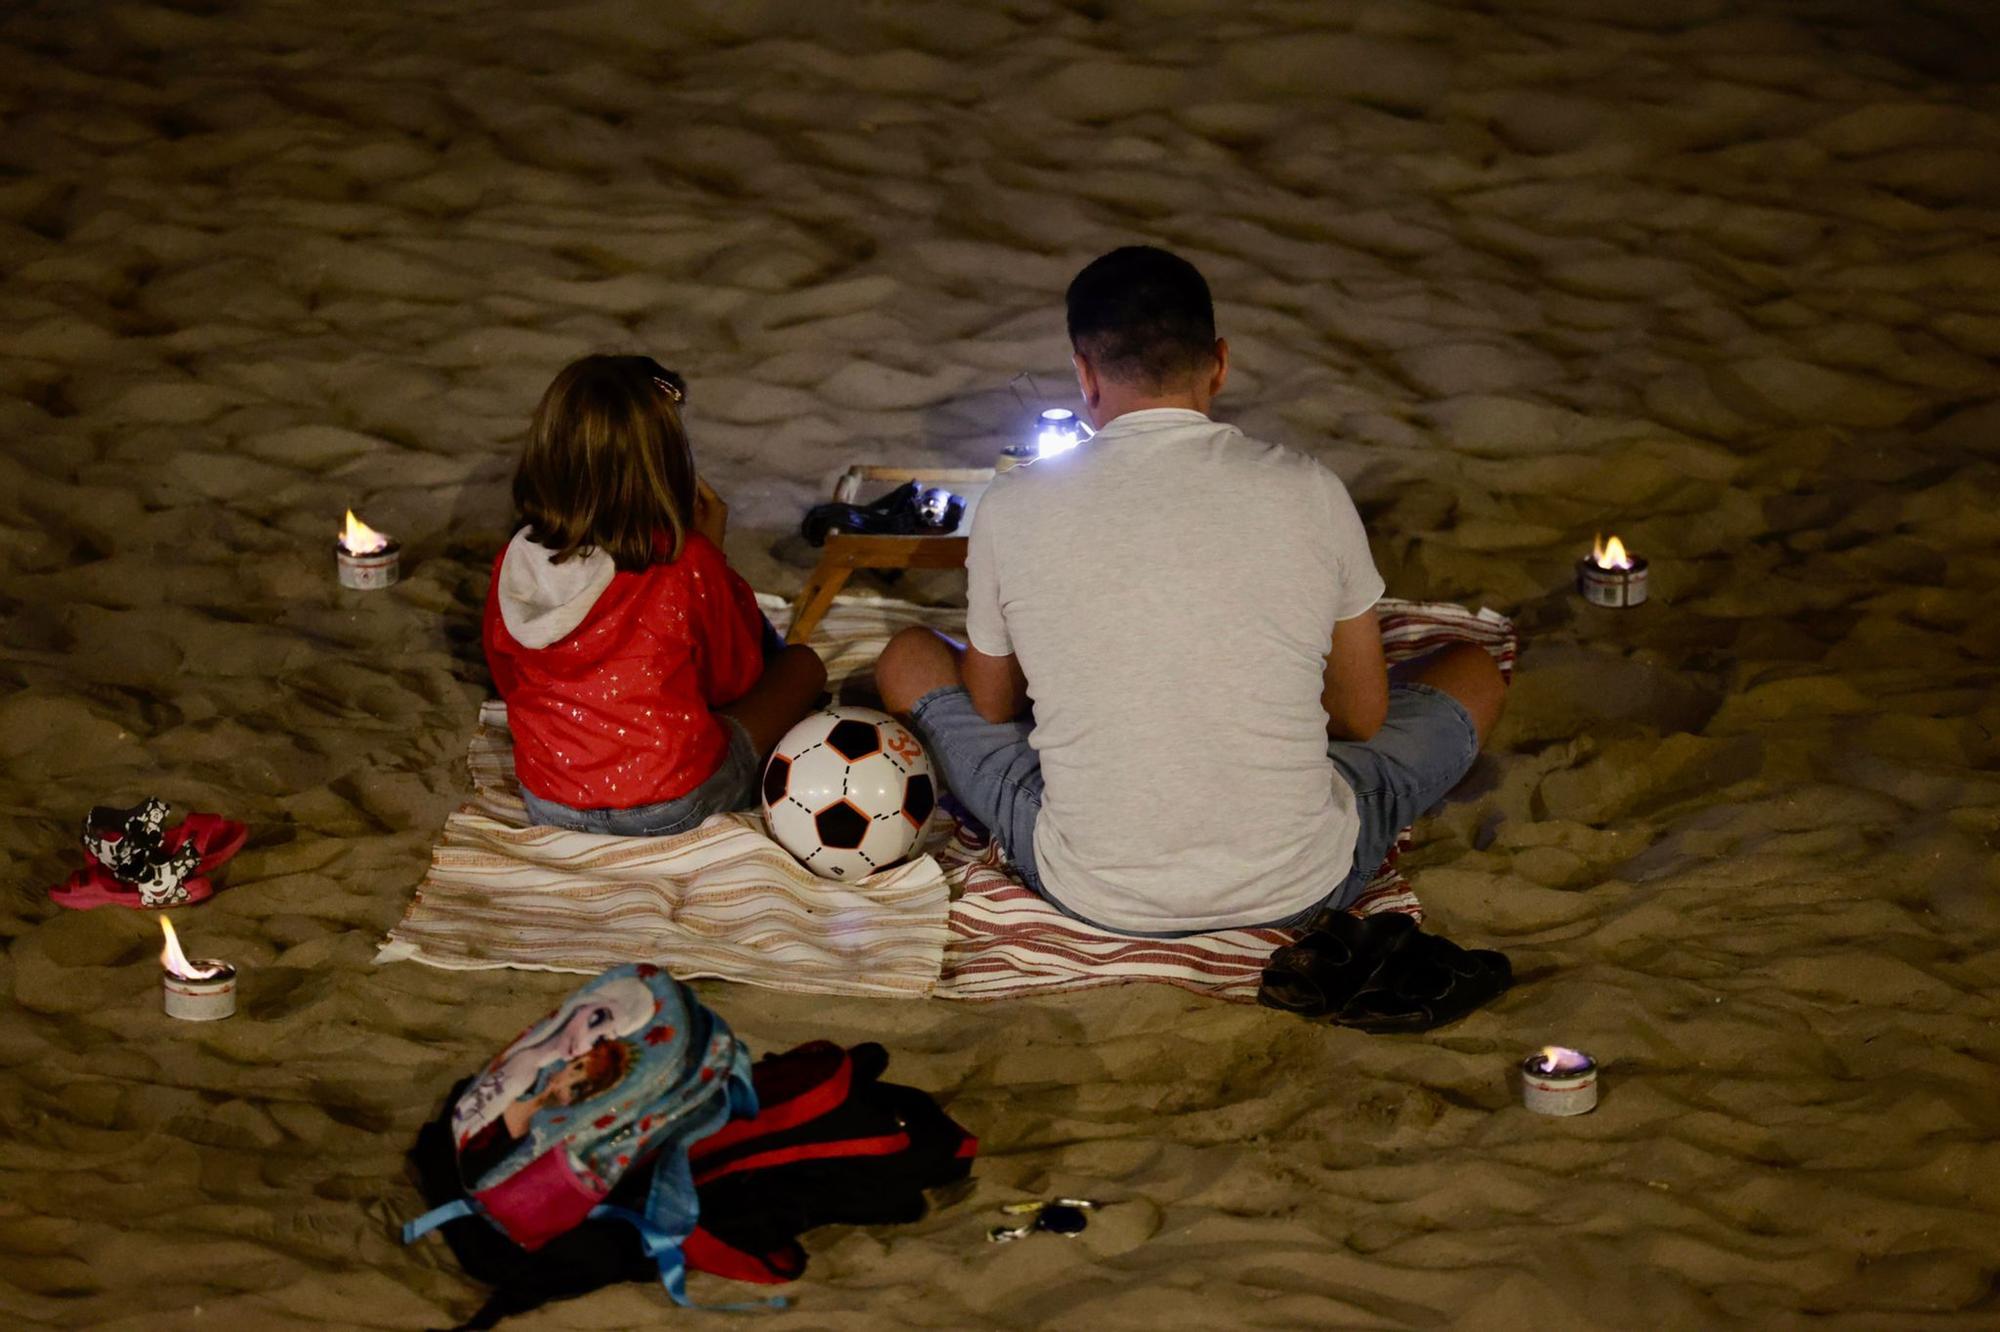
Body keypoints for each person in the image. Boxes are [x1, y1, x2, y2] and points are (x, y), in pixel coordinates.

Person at [873, 247, 1510, 1022]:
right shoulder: (1309, 489)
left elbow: (994, 701)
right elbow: (1363, 719)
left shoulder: (1015, 505)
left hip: (1095, 886)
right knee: (1473, 671)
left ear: (1085, 374)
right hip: (1304, 879)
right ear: (1219, 364)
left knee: (908, 656)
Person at [484, 355, 826, 837]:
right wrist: (714, 556)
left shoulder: (516, 562)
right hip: (675, 803)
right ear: (669, 464)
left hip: (550, 801)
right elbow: (733, 682)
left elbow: (506, 674)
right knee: (803, 666)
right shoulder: (683, 564)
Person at [457, 1038, 634, 1182]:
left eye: (579, 1074)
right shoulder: (519, 1084)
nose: (568, 1067)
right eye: (576, 1061)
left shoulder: (522, 1134)